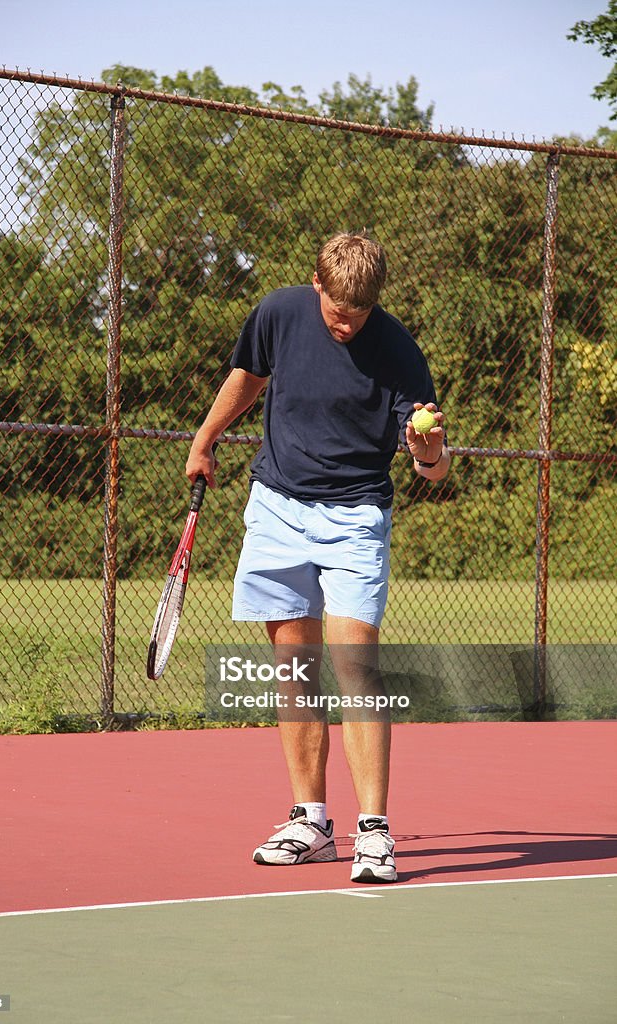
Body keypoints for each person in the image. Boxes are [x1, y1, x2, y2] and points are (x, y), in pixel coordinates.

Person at [186, 231, 450, 883]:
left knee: (355, 665)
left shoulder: (396, 350)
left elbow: (431, 471)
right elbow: (247, 377)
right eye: (335, 310)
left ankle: (374, 833)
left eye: (356, 314)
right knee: (292, 665)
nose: (343, 323)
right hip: (276, 506)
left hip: (355, 515)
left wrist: (429, 450)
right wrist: (205, 438)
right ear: (316, 283)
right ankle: (310, 821)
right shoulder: (277, 312)